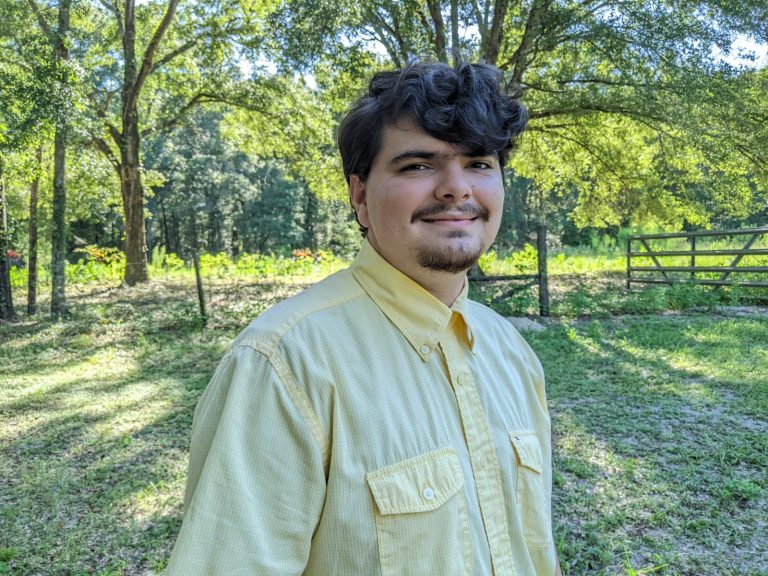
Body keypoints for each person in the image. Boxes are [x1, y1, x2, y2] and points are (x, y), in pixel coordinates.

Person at [166, 60, 561, 576]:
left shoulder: (511, 350)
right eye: (419, 165)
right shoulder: (283, 365)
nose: (457, 188)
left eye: (479, 163)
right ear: (360, 196)